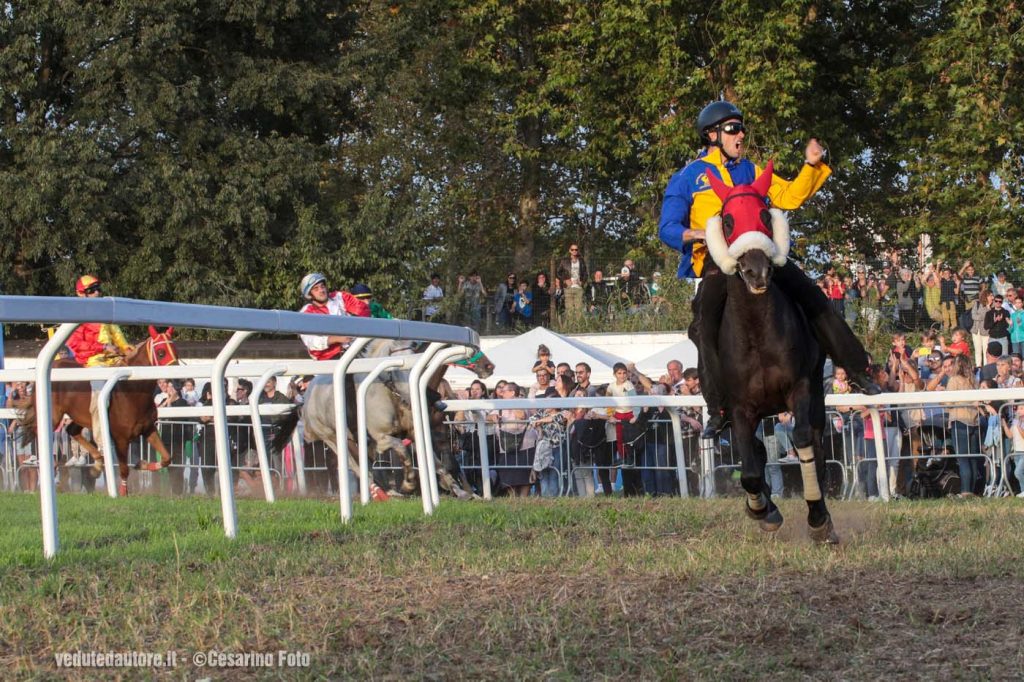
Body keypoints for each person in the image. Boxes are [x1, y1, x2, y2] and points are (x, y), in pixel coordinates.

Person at [658, 101, 877, 437]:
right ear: (712, 135)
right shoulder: (688, 177)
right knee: (704, 326)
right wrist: (701, 233)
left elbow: (787, 197)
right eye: (733, 128)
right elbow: (667, 228)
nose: (741, 134)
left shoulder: (751, 170)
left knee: (813, 298)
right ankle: (717, 408)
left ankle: (858, 369)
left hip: (761, 255)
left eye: (742, 127)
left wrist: (811, 165)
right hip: (721, 263)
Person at [297, 272, 370, 361]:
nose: (321, 290)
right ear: (309, 295)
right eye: (316, 289)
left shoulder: (339, 297)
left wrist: (355, 328)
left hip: (354, 349)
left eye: (322, 286)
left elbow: (363, 310)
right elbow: (311, 342)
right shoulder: (306, 313)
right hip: (327, 359)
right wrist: (336, 339)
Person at [66, 275, 133, 367]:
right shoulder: (76, 316)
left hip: (112, 356)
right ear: (80, 293)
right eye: (91, 290)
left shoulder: (104, 313)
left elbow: (117, 334)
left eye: (98, 289)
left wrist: (126, 348)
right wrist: (103, 347)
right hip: (91, 359)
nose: (97, 293)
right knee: (101, 370)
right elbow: (76, 343)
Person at [556, 244, 588, 319]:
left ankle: (578, 328)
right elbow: (558, 272)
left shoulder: (581, 261)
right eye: (572, 249)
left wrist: (582, 282)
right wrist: (564, 280)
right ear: (569, 250)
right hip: (568, 288)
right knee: (569, 310)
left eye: (576, 249)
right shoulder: (564, 261)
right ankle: (570, 328)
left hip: (578, 288)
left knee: (579, 310)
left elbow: (585, 274)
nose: (574, 251)